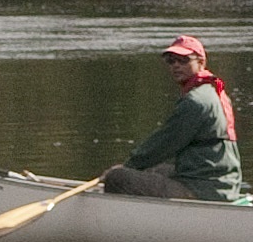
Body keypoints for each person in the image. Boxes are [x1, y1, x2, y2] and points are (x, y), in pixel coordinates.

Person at [100, 35, 244, 201]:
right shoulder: (212, 92)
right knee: (154, 170)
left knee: (117, 178)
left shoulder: (195, 102)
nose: (176, 65)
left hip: (205, 188)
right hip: (222, 183)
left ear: (201, 63)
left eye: (184, 60)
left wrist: (127, 166)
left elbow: (164, 143)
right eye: (171, 60)